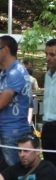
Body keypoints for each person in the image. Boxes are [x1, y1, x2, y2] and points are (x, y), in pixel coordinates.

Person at [0, 35, 32, 165]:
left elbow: (0, 104)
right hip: (4, 130)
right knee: (6, 174)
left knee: (13, 174)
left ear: (6, 49)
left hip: (14, 132)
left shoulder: (16, 72)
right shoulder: (4, 72)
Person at [42, 39, 56, 168]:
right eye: (47, 54)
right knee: (49, 168)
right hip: (47, 128)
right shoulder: (47, 75)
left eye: (52, 54)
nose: (48, 58)